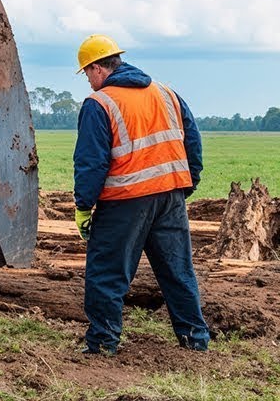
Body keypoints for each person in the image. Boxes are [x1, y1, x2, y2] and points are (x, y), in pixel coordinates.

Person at [71, 34, 210, 355]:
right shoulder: (165, 93)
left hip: (125, 202)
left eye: (87, 74)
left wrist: (83, 207)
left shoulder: (99, 103)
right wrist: (185, 185)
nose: (89, 81)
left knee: (106, 273)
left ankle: (102, 343)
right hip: (170, 196)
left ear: (97, 69)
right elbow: (194, 145)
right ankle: (195, 340)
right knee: (178, 272)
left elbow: (91, 162)